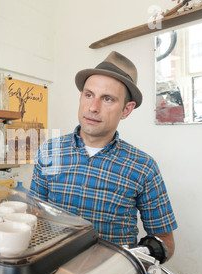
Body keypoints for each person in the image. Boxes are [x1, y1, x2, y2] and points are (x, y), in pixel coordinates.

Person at [30, 51, 177, 259]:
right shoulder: (49, 151)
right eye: (88, 95)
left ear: (126, 110)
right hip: (52, 269)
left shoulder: (143, 167)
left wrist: (140, 262)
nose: (93, 107)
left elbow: (165, 241)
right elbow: (34, 215)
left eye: (107, 99)